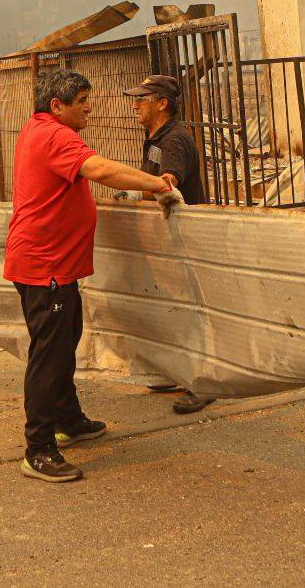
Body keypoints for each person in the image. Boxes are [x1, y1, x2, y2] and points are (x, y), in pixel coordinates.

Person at [5, 68, 181, 484]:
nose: (89, 108)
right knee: (49, 355)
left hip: (51, 265)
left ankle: (68, 418)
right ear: (57, 106)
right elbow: (100, 170)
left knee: (64, 342)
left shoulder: (37, 128)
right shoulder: (55, 135)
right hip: (45, 266)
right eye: (82, 101)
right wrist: (158, 184)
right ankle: (39, 448)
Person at [122, 74, 213, 415]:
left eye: (141, 99)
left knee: (190, 310)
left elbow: (167, 182)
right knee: (170, 306)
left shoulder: (174, 139)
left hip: (184, 237)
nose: (135, 105)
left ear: (162, 103)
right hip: (169, 235)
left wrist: (135, 191)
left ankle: (202, 382)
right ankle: (175, 372)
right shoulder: (157, 136)